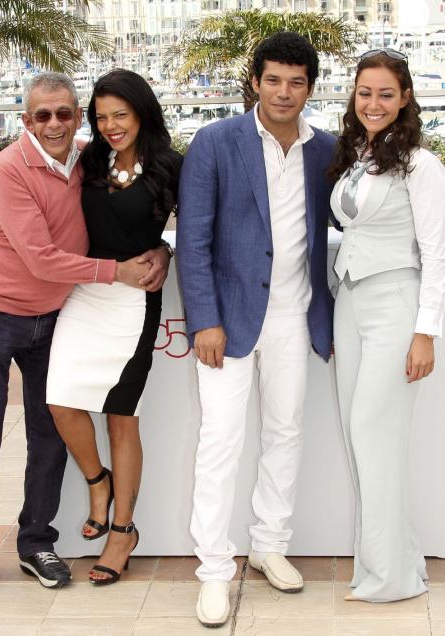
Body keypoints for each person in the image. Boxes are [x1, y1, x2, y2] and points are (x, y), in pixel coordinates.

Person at [0, 72, 168, 590]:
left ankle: (36, 542)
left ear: (78, 117)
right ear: (27, 121)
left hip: (52, 317)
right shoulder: (8, 168)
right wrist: (119, 272)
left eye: (65, 114)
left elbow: (129, 214)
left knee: (48, 433)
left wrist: (162, 249)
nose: (54, 124)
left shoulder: (90, 159)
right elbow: (42, 259)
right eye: (42, 115)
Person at [176, 32, 336, 627]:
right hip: (231, 320)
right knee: (220, 443)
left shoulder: (327, 149)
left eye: (296, 82)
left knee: (285, 432)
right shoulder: (216, 143)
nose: (284, 92)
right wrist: (205, 320)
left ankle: (270, 544)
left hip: (297, 315)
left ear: (310, 88)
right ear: (255, 82)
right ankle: (214, 572)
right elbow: (194, 240)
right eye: (273, 79)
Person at [47, 69, 181, 586]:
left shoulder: (170, 166)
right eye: (101, 117)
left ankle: (122, 530)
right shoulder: (90, 160)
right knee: (60, 398)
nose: (109, 126)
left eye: (119, 115)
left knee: (122, 417)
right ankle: (96, 480)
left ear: (141, 112)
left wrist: (165, 250)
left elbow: (196, 227)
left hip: (132, 302)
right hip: (86, 292)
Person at [326, 49, 445, 602]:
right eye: (364, 92)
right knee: (359, 437)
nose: (373, 102)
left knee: (375, 436)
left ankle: (391, 578)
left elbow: (435, 254)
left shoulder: (422, 165)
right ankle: (395, 563)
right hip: (348, 302)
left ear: (405, 100)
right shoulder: (358, 154)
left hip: (396, 307)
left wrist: (425, 332)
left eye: (385, 93)